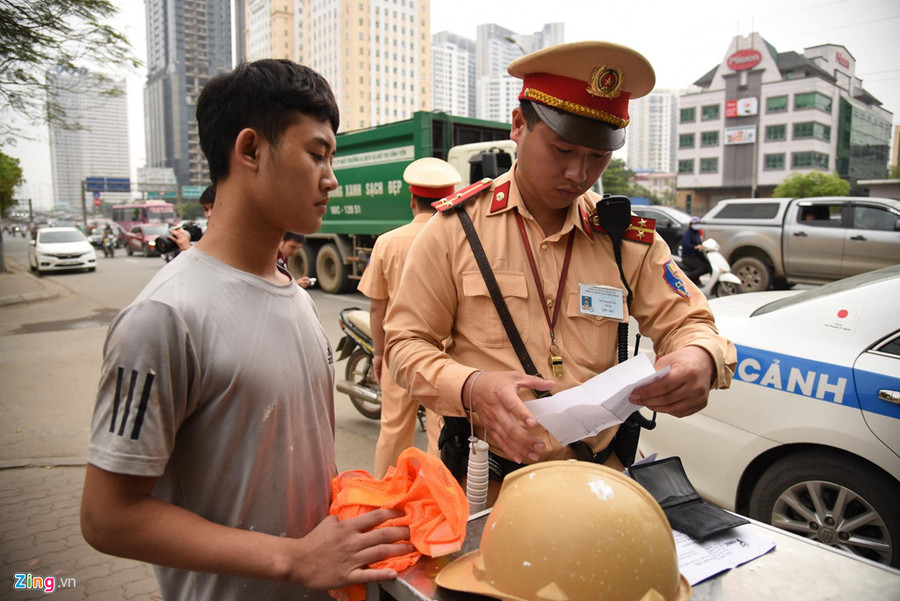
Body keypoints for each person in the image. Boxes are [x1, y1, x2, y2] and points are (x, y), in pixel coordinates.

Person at [80, 59, 412, 601]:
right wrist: (293, 560)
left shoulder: (295, 296)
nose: (331, 178)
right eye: (317, 154)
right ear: (251, 149)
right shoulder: (164, 315)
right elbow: (106, 518)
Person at [384, 42, 736, 499]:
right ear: (518, 125)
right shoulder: (456, 230)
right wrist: (471, 387)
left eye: (597, 156)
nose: (578, 173)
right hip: (487, 488)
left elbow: (690, 322)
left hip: (598, 484)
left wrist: (700, 358)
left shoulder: (623, 238)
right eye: (563, 149)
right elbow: (404, 345)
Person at [358, 157, 460, 478]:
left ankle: (386, 497)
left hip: (398, 350)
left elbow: (377, 307)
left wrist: (379, 353)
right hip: (446, 356)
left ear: (412, 200)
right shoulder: (461, 240)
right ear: (450, 198)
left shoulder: (387, 242)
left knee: (393, 429)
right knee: (441, 432)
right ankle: (435, 498)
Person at [168, 184, 216, 252]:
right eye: (206, 209)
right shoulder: (205, 237)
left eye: (213, 208)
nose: (209, 214)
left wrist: (187, 249)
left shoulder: (229, 240)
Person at [680, 216, 710, 285]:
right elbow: (685, 244)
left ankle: (696, 281)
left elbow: (699, 242)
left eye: (698, 223)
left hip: (696, 255)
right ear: (691, 224)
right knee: (703, 268)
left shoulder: (697, 233)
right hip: (688, 256)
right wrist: (695, 247)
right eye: (695, 223)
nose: (697, 225)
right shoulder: (687, 233)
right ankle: (686, 279)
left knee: (707, 265)